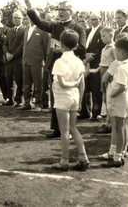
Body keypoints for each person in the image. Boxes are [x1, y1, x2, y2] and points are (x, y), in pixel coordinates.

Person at [24, 0, 86, 138]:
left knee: (69, 96)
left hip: (71, 66)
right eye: (58, 10)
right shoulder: (55, 25)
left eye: (63, 10)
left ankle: (70, 129)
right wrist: (29, 7)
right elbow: (39, 22)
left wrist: (62, 48)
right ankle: (57, 129)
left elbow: (82, 49)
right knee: (56, 96)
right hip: (55, 66)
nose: (60, 12)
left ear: (71, 11)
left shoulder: (78, 28)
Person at [50, 29, 89, 171]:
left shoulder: (59, 62)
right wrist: (79, 101)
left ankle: (64, 161)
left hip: (63, 97)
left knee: (64, 131)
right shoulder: (79, 61)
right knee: (73, 128)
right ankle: (83, 157)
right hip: (74, 97)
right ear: (76, 45)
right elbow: (82, 83)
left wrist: (73, 84)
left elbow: (62, 83)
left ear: (61, 44)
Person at [101, 35, 128, 168]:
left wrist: (112, 95)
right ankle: (113, 151)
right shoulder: (123, 64)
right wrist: (113, 66)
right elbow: (105, 78)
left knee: (119, 127)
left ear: (121, 52)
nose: (114, 52)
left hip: (119, 100)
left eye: (115, 50)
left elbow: (121, 86)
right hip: (122, 99)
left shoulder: (122, 67)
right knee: (116, 126)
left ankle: (117, 157)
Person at [20, 15, 50, 111]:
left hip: (38, 62)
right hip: (26, 61)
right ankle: (27, 103)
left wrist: (45, 62)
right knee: (26, 84)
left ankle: (38, 104)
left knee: (38, 84)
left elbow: (46, 48)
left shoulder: (43, 30)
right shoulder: (26, 29)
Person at [80, 12, 105, 121]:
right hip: (86, 63)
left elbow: (103, 48)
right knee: (85, 88)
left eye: (95, 19)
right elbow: (84, 46)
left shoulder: (103, 30)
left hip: (96, 64)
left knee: (96, 89)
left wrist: (92, 56)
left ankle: (96, 113)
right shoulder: (87, 31)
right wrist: (85, 56)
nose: (93, 21)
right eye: (91, 20)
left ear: (100, 19)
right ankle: (85, 111)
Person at [3, 10, 25, 107]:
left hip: (18, 59)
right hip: (8, 59)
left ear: (22, 19)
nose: (16, 19)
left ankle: (19, 100)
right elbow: (5, 44)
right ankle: (10, 99)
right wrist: (7, 53)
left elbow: (22, 45)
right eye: (15, 17)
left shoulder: (24, 30)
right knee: (8, 79)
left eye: (19, 18)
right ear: (12, 19)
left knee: (19, 80)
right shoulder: (10, 30)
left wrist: (13, 55)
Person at [96, 26, 116, 134]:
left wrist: (109, 75)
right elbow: (103, 62)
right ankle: (109, 121)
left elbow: (117, 62)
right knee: (105, 99)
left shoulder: (113, 48)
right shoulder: (104, 48)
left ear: (111, 36)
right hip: (103, 73)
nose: (102, 38)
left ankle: (110, 123)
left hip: (109, 75)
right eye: (101, 36)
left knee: (109, 99)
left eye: (104, 36)